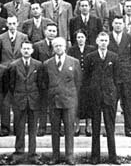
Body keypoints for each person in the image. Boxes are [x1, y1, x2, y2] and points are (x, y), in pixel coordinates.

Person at [44, 37, 82, 165]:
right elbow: (45, 82)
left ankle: (69, 156)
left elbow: (78, 82)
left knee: (69, 129)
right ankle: (55, 156)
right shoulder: (47, 64)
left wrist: (72, 97)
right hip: (54, 101)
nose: (58, 48)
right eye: (56, 46)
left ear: (65, 47)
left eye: (61, 45)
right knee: (55, 130)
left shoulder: (74, 62)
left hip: (69, 101)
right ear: (53, 48)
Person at [84, 32, 120, 165]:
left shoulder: (114, 57)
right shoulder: (90, 57)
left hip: (109, 96)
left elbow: (117, 78)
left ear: (108, 42)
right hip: (95, 96)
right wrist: (89, 94)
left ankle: (113, 156)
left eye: (106, 40)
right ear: (97, 41)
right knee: (95, 127)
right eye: (101, 40)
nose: (104, 43)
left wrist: (115, 95)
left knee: (110, 127)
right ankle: (95, 156)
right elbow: (86, 78)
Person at [8, 42, 43, 164]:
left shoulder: (38, 65)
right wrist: (16, 97)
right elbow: (11, 84)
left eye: (29, 48)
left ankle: (33, 154)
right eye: (24, 49)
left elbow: (40, 83)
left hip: (34, 100)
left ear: (32, 50)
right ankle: (18, 153)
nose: (26, 51)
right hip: (19, 100)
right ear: (21, 50)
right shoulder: (13, 65)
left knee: (33, 130)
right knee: (19, 129)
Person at [0, 16, 29, 137]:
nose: (12, 25)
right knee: (5, 100)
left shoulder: (23, 37)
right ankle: (4, 127)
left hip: (19, 71)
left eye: (14, 23)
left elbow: (25, 53)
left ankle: (17, 127)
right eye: (10, 23)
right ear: (7, 24)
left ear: (17, 23)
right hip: (5, 71)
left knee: (18, 99)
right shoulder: (0, 38)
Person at [108, 16, 131, 137]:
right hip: (112, 76)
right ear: (112, 24)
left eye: (120, 23)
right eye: (116, 23)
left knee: (127, 104)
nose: (118, 25)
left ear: (124, 25)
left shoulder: (130, 38)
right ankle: (110, 129)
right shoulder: (108, 38)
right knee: (112, 104)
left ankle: (128, 129)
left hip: (126, 76)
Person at [67, 30, 95, 137]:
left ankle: (88, 126)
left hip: (88, 80)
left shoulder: (91, 49)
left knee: (88, 103)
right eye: (78, 37)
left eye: (82, 37)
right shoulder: (72, 50)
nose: (80, 39)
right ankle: (77, 125)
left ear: (86, 38)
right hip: (76, 80)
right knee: (77, 103)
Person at [32, 22, 58, 136]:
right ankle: (42, 127)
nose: (52, 33)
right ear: (45, 32)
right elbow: (35, 63)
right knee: (42, 104)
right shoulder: (37, 45)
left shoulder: (59, 45)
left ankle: (56, 127)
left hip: (56, 79)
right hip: (42, 79)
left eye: (54, 31)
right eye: (50, 31)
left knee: (56, 104)